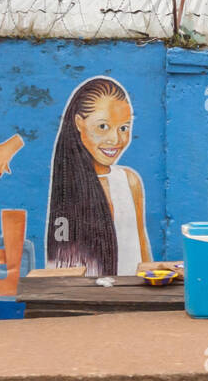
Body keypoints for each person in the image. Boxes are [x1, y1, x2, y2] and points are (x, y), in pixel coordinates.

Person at [46, 76, 152, 276]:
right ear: (79, 123)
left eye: (124, 128)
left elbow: (142, 252)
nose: (115, 139)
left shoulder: (130, 181)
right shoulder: (68, 186)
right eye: (103, 126)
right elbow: (61, 269)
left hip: (132, 297)